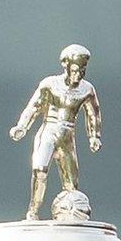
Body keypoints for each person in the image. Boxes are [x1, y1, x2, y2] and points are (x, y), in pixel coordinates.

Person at [9, 43, 103, 220]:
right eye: (74, 70)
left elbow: (93, 114)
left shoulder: (87, 89)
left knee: (71, 185)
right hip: (49, 132)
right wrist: (22, 126)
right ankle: (33, 210)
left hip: (68, 136)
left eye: (82, 71)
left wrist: (94, 136)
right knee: (40, 170)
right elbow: (34, 107)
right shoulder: (50, 85)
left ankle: (71, 216)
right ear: (65, 66)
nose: (78, 75)